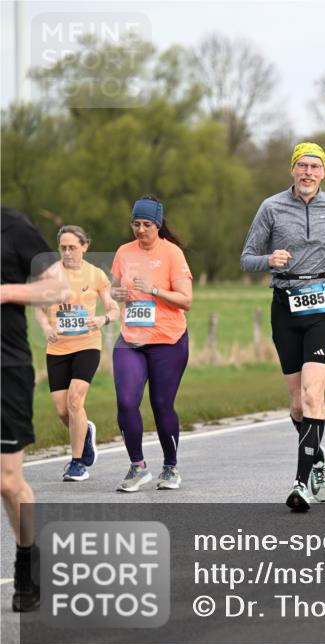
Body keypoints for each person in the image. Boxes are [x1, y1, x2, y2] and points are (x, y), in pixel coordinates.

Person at [240, 141, 325, 511]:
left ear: (324, 172)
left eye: (315, 167)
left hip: (323, 305)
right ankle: (318, 458)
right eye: (302, 166)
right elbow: (246, 258)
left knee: (312, 394)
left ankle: (301, 482)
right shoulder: (271, 207)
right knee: (296, 405)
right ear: (292, 169)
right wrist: (268, 260)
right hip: (285, 306)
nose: (308, 173)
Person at [1, 206, 70, 612]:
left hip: (5, 368)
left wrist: (6, 292)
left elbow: (57, 288)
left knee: (9, 483)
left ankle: (28, 556)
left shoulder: (14, 226)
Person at [110, 196, 193, 493]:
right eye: (136, 224)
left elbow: (186, 300)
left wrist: (154, 289)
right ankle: (138, 466)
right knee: (126, 401)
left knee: (161, 404)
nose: (141, 230)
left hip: (167, 340)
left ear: (157, 225)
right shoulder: (123, 252)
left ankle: (170, 467)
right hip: (131, 339)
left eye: (146, 224)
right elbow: (114, 289)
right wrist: (119, 294)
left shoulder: (172, 254)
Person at [34, 225, 119, 481]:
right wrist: (47, 326)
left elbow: (114, 308)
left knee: (74, 400)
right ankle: (86, 433)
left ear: (85, 246)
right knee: (62, 410)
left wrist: (103, 319)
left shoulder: (95, 275)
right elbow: (39, 309)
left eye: (72, 247)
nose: (68, 252)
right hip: (58, 348)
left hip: (87, 345)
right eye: (63, 247)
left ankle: (77, 462)